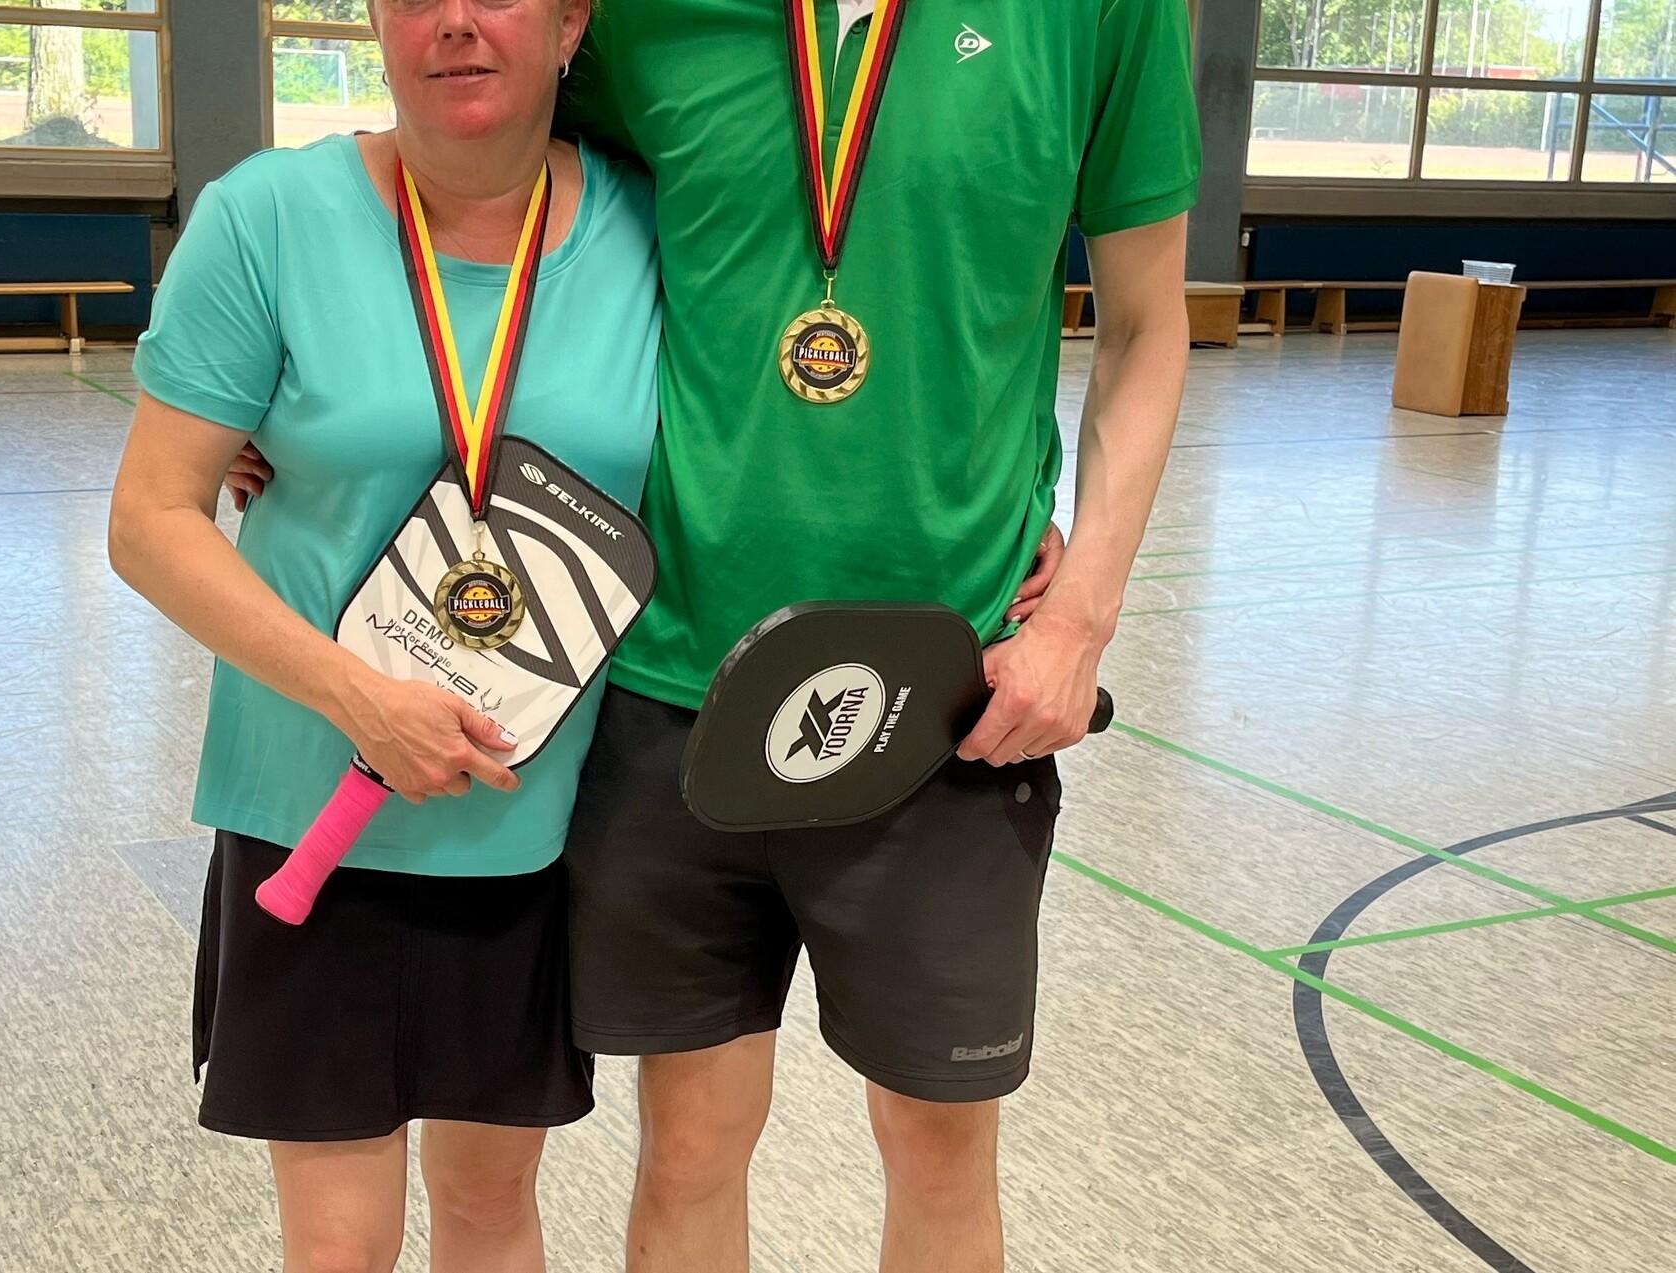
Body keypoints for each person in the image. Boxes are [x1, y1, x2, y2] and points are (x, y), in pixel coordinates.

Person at [230, 1, 1198, 1270]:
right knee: (689, 1143)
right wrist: (296, 375)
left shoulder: (1098, 15)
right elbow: (481, 155)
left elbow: (1145, 320)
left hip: (947, 699)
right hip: (670, 687)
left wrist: (1083, 612)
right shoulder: (632, 13)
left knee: (939, 1144)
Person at [108, 1, 660, 1270]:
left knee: (487, 1213)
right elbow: (150, 518)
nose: (457, 21)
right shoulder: (269, 218)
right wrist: (359, 697)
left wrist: (1027, 509)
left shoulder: (652, 226)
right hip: (310, 810)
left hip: (521, 818)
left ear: (573, 21)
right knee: (339, 1244)